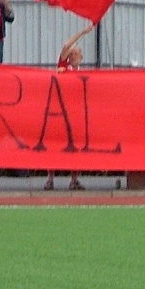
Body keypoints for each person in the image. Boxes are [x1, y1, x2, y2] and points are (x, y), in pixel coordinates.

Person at [45, 24, 94, 191]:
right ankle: (50, 179)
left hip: (75, 115)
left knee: (76, 148)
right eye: (71, 54)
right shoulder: (63, 68)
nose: (72, 55)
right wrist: (82, 32)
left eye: (76, 53)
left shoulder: (83, 74)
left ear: (81, 57)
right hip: (59, 113)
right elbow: (66, 46)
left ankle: (74, 179)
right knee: (55, 146)